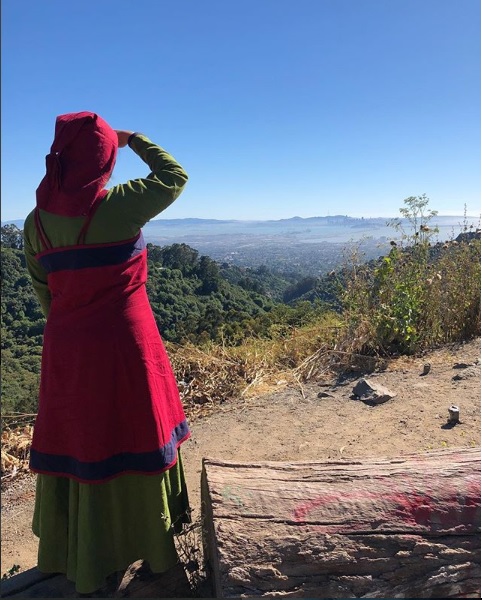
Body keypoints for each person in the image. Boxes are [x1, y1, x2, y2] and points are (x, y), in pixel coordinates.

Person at [23, 111, 191, 595]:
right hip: (126, 342)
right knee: (137, 429)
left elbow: (45, 295)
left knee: (81, 439)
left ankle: (80, 550)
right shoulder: (119, 205)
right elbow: (174, 176)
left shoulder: (35, 224)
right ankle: (153, 546)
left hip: (68, 348)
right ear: (103, 156)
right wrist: (135, 137)